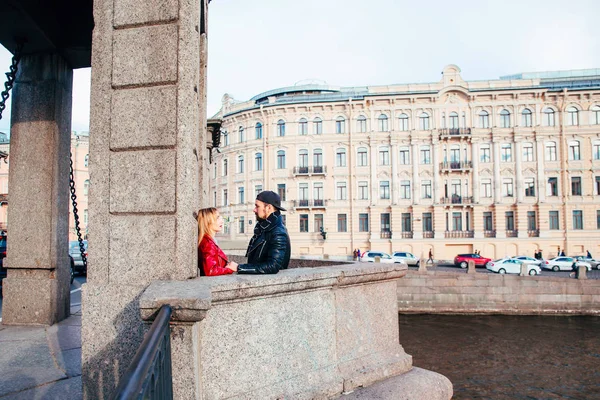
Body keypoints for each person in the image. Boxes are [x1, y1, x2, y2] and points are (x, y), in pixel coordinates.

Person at [237, 191, 291, 274]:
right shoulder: (263, 228)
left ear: (268, 208)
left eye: (257, 206)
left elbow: (273, 266)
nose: (254, 210)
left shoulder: (278, 232)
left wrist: (239, 268)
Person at [197, 207, 238, 276]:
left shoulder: (208, 240)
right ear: (208, 222)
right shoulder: (208, 243)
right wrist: (229, 269)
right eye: (217, 218)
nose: (222, 221)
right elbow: (211, 270)